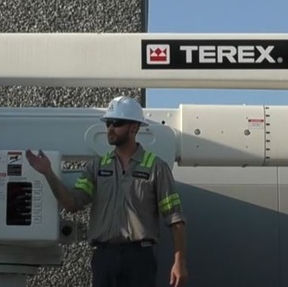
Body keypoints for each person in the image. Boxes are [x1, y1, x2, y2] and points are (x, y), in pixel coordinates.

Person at [26, 96, 188, 287]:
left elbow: (175, 219)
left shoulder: (156, 167)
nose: (110, 128)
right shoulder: (96, 167)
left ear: (134, 128)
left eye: (117, 123)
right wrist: (48, 173)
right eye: (108, 122)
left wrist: (179, 262)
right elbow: (72, 203)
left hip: (140, 258)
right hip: (105, 257)